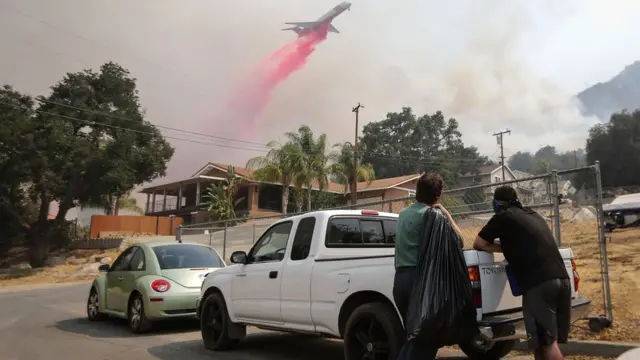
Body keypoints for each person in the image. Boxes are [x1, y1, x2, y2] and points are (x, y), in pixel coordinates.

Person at [473, 185, 571, 360]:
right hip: (562, 280)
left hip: (539, 284)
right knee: (540, 342)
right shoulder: (533, 215)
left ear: (497, 203)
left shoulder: (503, 217)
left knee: (547, 343)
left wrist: (502, 247)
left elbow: (478, 244)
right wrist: (512, 246)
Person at [393, 172, 462, 360]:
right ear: (438, 195)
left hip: (401, 281)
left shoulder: (403, 213)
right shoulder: (433, 216)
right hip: (422, 284)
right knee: (426, 340)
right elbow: (459, 239)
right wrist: (445, 212)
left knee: (413, 337)